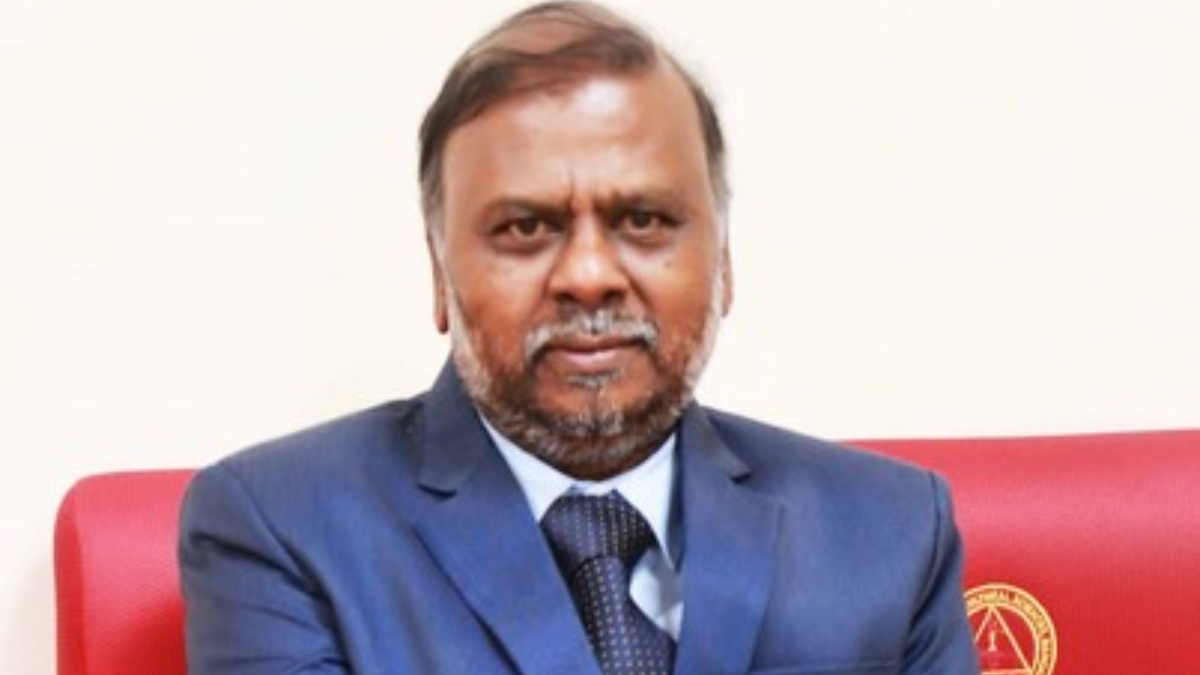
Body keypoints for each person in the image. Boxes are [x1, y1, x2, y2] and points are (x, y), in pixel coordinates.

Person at [179, 2, 980, 674]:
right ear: (440, 271)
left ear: (724, 259)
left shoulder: (893, 532)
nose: (589, 275)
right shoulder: (281, 528)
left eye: (644, 219)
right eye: (526, 227)